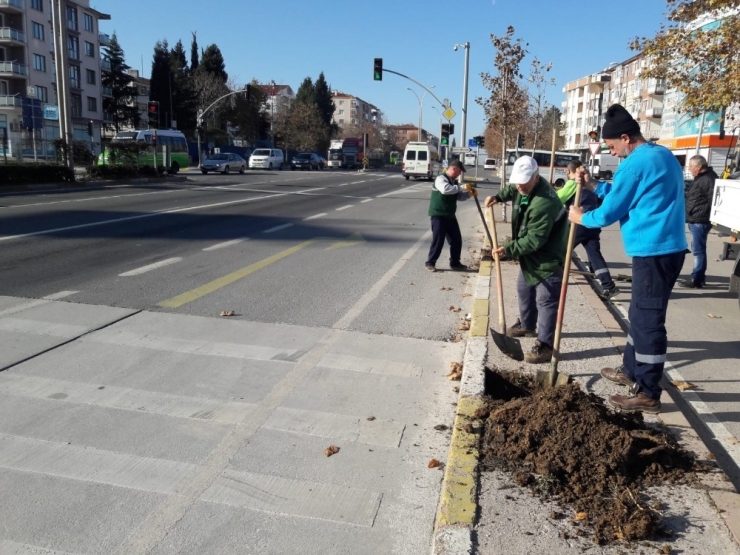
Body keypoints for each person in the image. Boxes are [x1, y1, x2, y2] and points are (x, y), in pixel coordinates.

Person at [568, 104, 687, 414]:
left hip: (654, 250)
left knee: (647, 322)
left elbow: (609, 212)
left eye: (612, 145)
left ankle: (648, 392)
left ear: (625, 137)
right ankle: (630, 371)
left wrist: (580, 217)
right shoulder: (660, 155)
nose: (612, 151)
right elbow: (625, 192)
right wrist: (594, 186)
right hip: (664, 248)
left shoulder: (635, 163)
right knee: (638, 313)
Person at [484, 156, 567, 364]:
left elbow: (534, 239)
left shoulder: (544, 203)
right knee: (524, 288)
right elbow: (513, 190)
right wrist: (498, 197)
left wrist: (509, 248)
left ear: (536, 177)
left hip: (546, 257)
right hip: (530, 256)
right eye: (517, 181)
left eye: (523, 181)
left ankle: (546, 345)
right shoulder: (524, 187)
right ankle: (527, 325)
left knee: (546, 301)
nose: (519, 185)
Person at [557, 160, 620, 299]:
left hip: (579, 223)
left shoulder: (572, 183)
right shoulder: (592, 185)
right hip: (592, 223)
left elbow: (557, 199)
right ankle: (608, 286)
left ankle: (556, 278)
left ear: (568, 171)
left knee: (560, 249)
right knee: (594, 254)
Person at [425, 159, 473, 272]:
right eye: (460, 171)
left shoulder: (454, 182)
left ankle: (455, 262)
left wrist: (469, 194)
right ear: (454, 168)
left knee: (456, 240)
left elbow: (459, 197)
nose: (460, 174)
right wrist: (461, 187)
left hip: (450, 216)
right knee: (438, 240)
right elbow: (445, 190)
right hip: (438, 214)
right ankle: (430, 262)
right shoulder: (441, 179)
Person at [679, 155, 717, 289]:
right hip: (696, 218)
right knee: (698, 249)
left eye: (691, 166)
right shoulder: (702, 178)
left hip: (700, 220)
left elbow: (713, 200)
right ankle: (699, 278)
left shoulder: (707, 179)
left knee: (698, 251)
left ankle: (697, 279)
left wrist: (700, 212)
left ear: (699, 167)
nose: (689, 169)